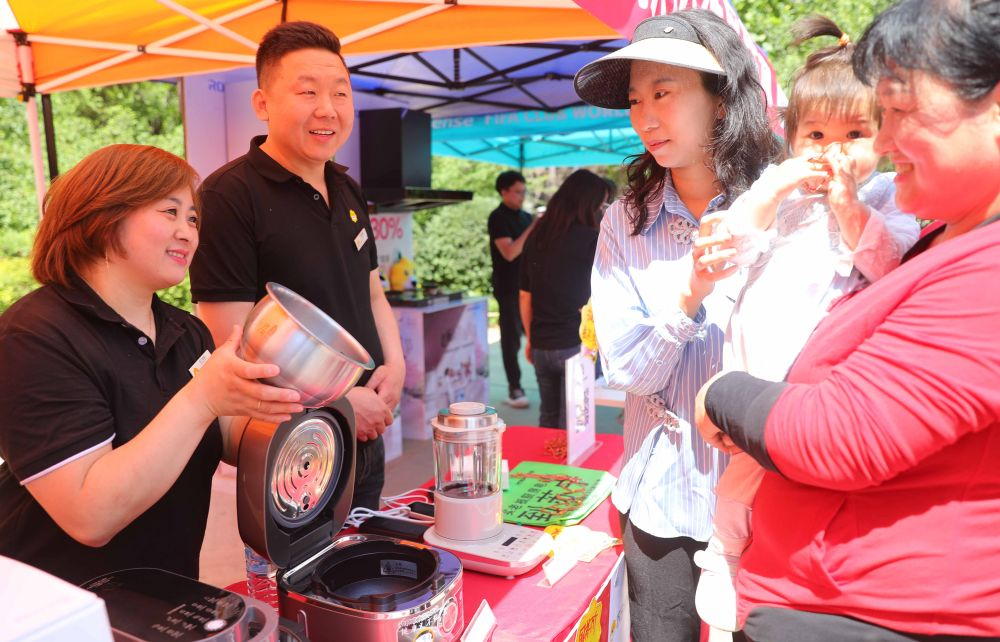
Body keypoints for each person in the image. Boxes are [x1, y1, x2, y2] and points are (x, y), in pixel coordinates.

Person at [695, 0, 1000, 639]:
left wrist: (721, 394)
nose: (882, 143)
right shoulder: (948, 234)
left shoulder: (977, 262)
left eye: (899, 111)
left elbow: (841, 436)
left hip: (877, 616)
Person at [0, 145, 301, 585]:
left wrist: (298, 412)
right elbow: (90, 515)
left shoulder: (186, 331)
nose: (188, 233)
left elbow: (224, 437)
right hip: (63, 605)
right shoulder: (34, 335)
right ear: (104, 215)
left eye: (193, 218)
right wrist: (201, 399)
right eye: (170, 212)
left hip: (166, 595)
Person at [573, 10, 780, 641]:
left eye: (663, 93)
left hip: (765, 501)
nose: (645, 118)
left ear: (721, 100)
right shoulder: (625, 221)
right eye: (636, 100)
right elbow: (627, 369)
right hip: (660, 499)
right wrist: (691, 293)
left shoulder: (783, 204)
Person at [189, 22, 404, 510]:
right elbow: (231, 345)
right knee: (301, 560)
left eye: (340, 93)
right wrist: (341, 404)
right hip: (295, 453)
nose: (327, 109)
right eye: (307, 92)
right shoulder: (228, 196)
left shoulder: (347, 188)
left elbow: (371, 291)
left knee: (364, 550)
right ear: (262, 103)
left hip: (365, 436)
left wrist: (395, 364)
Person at [519, 170, 613, 428]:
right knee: (574, 427)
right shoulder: (593, 240)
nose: (602, 211)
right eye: (601, 204)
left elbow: (525, 296)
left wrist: (531, 339)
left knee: (548, 422)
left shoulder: (536, 238)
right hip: (576, 346)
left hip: (541, 345)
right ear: (588, 204)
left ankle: (543, 458)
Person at [488, 170, 536, 409]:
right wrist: (534, 228)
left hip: (531, 286)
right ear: (503, 192)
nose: (522, 196)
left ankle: (545, 381)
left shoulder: (526, 217)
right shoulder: (498, 217)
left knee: (537, 336)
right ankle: (514, 387)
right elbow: (509, 252)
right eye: (517, 192)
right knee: (511, 340)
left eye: (523, 192)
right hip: (508, 288)